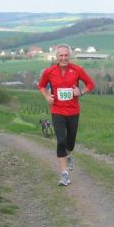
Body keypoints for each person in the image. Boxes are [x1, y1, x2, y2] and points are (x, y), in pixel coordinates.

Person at [37, 44, 95, 186]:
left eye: (66, 55)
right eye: (61, 55)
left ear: (69, 56)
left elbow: (90, 84)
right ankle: (64, 174)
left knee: (70, 143)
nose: (63, 58)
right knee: (61, 141)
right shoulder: (49, 71)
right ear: (56, 57)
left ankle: (68, 154)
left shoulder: (77, 70)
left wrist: (81, 92)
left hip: (73, 111)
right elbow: (41, 86)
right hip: (57, 111)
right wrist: (47, 96)